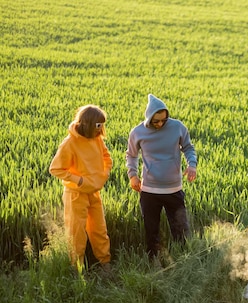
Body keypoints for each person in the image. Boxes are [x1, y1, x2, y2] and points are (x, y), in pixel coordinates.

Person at [126, 94, 197, 262]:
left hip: (174, 189)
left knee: (180, 230)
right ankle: (154, 262)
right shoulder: (137, 132)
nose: (160, 124)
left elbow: (188, 147)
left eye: (163, 120)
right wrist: (133, 175)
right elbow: (131, 155)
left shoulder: (177, 127)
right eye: (156, 121)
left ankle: (184, 260)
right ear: (149, 117)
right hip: (149, 191)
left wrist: (192, 164)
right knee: (152, 231)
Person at [49, 104, 112, 272]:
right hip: (76, 195)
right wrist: (79, 180)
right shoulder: (69, 143)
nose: (101, 129)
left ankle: (105, 264)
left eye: (102, 125)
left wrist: (104, 174)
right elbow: (55, 169)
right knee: (76, 234)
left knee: (99, 230)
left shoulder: (97, 139)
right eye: (98, 125)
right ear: (88, 123)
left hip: (94, 193)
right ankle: (77, 269)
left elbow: (107, 157)